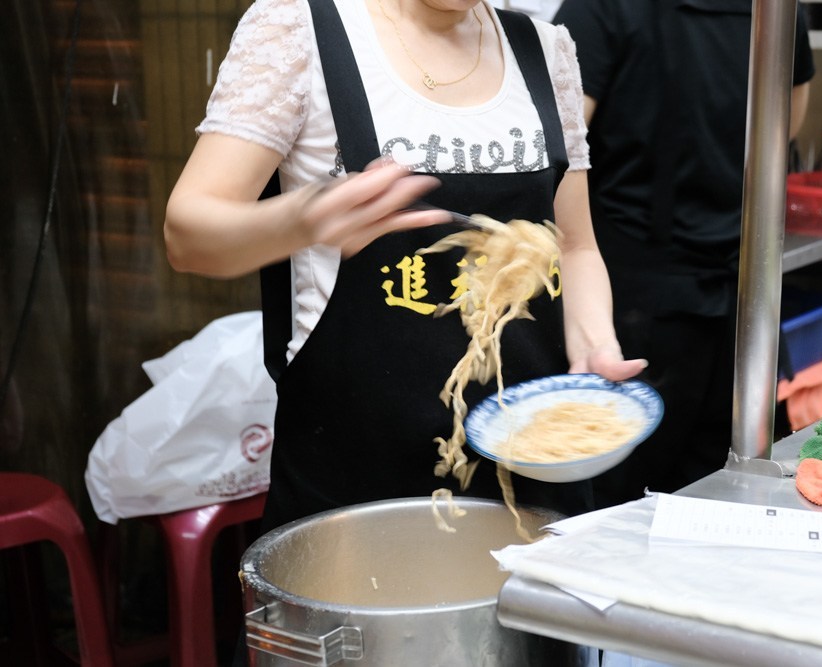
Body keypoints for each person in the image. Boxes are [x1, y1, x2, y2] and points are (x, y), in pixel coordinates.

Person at [164, 0, 646, 540]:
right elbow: (188, 237)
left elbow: (574, 244)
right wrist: (299, 219)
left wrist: (593, 346)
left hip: (535, 470)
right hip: (357, 484)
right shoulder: (301, 30)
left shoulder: (545, 50)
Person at [553, 0, 816, 508]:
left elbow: (560, 147)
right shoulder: (775, 9)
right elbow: (785, 121)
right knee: (730, 495)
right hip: (744, 299)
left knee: (618, 510)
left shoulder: (602, 8)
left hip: (634, 303)